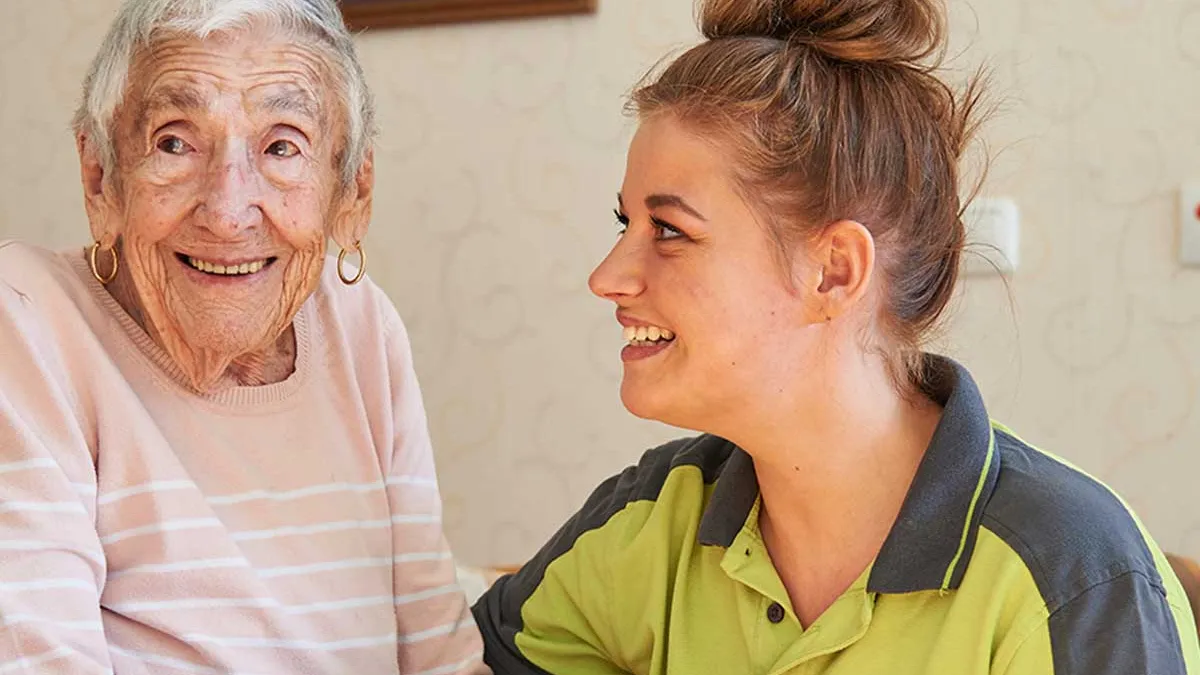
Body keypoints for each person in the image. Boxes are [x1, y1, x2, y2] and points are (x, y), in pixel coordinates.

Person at [472, 0, 1200, 672]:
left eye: (669, 230)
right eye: (622, 223)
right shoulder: (651, 521)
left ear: (834, 271)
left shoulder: (1075, 581)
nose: (608, 276)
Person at [0, 1, 487, 672]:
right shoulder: (27, 321)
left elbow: (441, 656)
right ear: (99, 176)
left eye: (282, 145)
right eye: (174, 141)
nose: (228, 212)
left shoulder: (360, 325)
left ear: (354, 191)